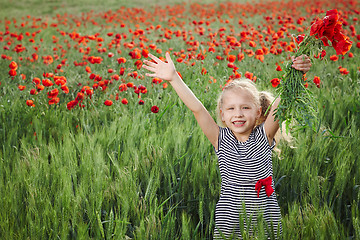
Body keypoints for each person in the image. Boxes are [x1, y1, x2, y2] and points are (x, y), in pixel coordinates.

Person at [142, 52, 311, 239]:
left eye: (245, 108)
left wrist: (297, 72)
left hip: (265, 220)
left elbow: (283, 101)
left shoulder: (264, 136)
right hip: (229, 222)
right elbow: (197, 108)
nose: (237, 114)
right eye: (231, 109)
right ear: (222, 115)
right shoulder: (220, 139)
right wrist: (174, 78)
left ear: (258, 112)